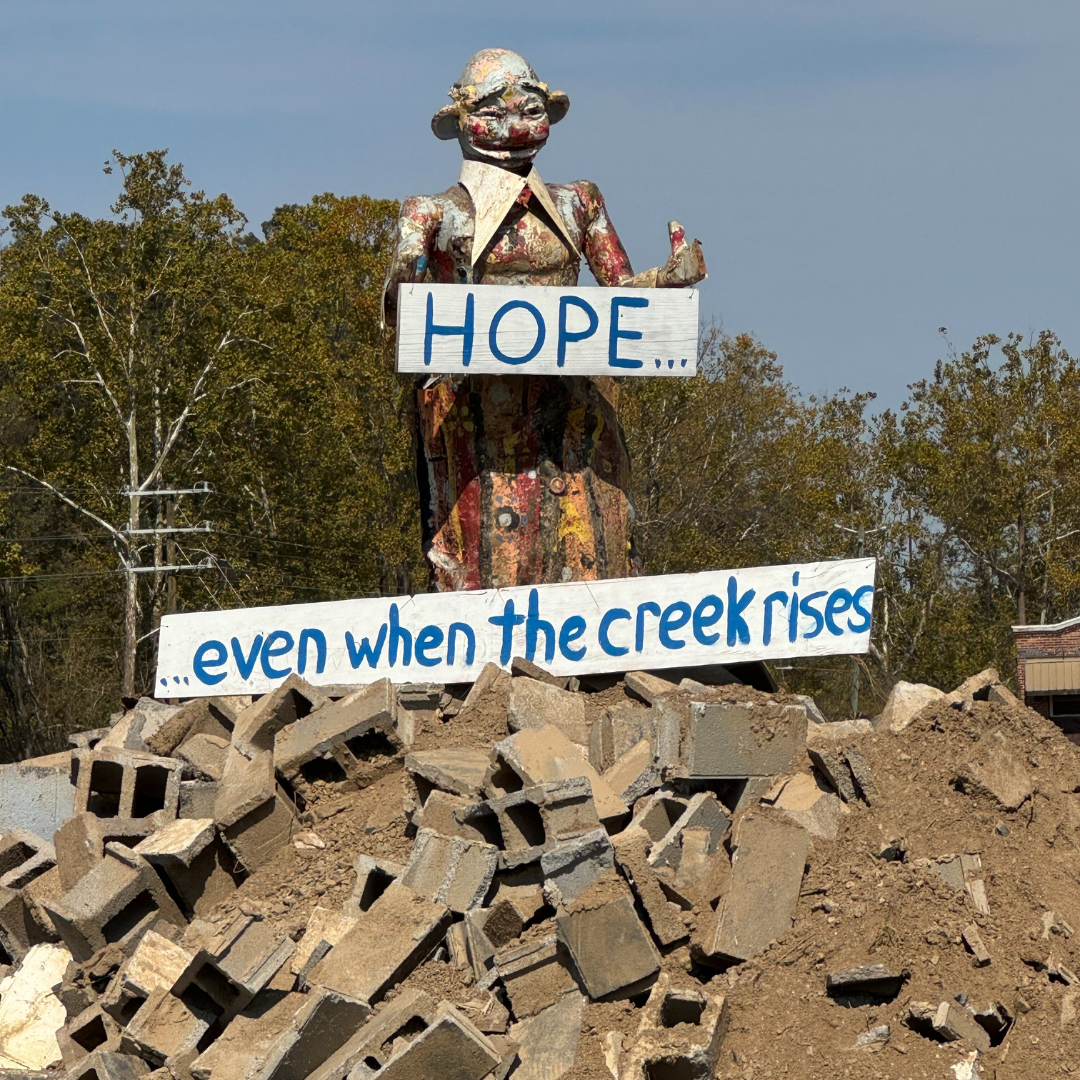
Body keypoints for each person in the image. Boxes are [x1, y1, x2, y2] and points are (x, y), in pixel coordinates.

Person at [383, 48, 706, 591]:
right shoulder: (432, 211)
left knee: (587, 542)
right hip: (476, 411)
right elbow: (402, 314)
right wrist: (405, 273)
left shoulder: (580, 202)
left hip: (574, 407)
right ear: (461, 120)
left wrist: (666, 281)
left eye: (530, 110)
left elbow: (620, 293)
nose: (514, 127)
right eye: (493, 112)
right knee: (489, 550)